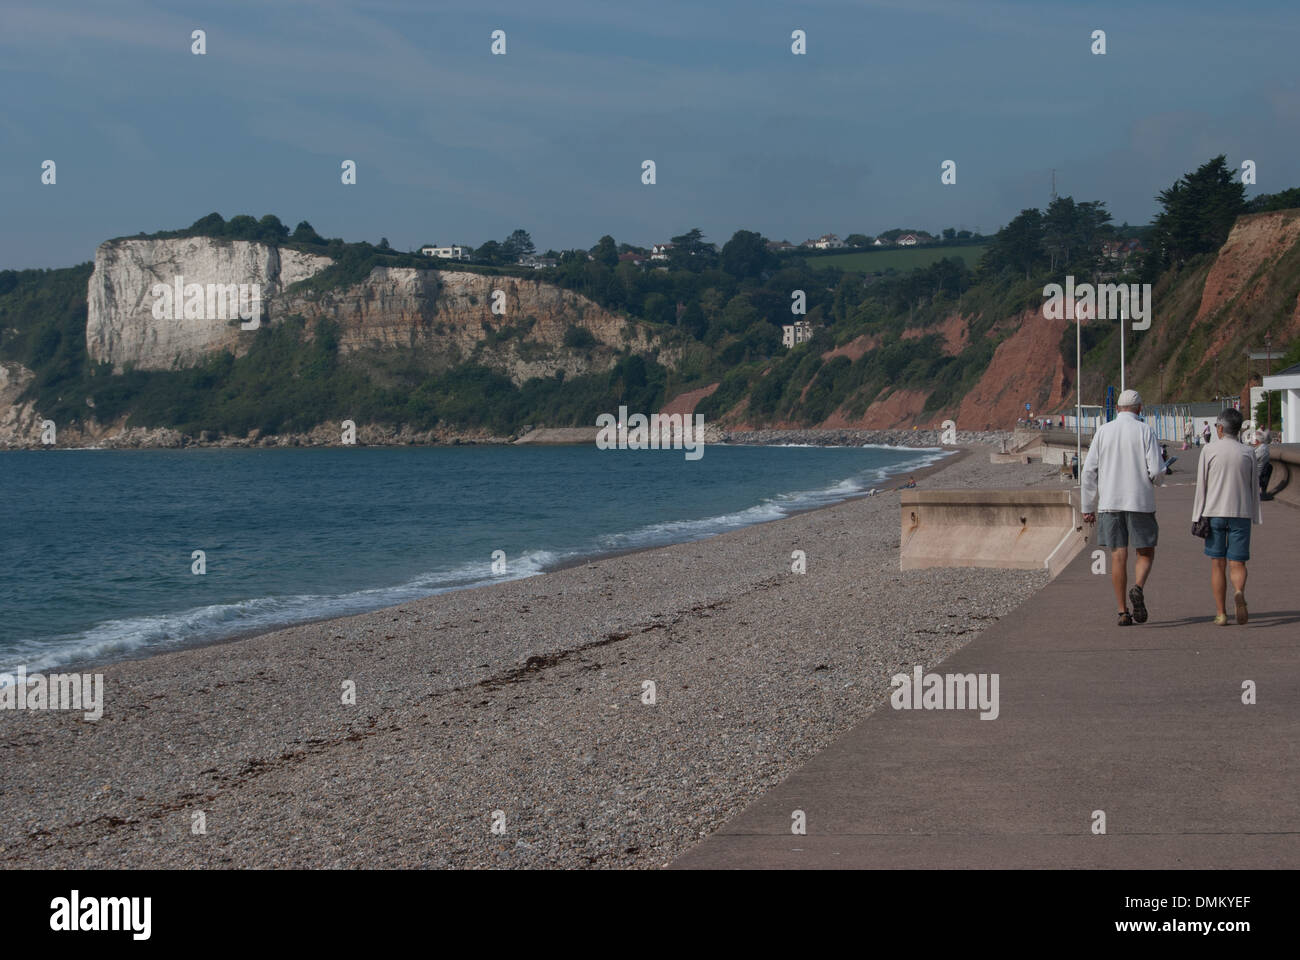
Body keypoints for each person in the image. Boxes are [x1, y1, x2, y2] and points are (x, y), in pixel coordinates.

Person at [1081, 389, 1164, 626]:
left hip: (1110, 503)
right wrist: (1157, 480)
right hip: (1140, 501)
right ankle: (1137, 587)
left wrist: (1087, 505)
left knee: (1118, 556)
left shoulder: (1103, 432)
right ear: (1139, 408)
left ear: (1117, 409)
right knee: (1145, 551)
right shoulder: (1146, 431)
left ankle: (1122, 612)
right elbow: (1157, 471)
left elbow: (1089, 471)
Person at [1192, 409, 1262, 625]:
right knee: (1238, 562)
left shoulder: (1209, 450)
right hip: (1240, 512)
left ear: (1220, 428)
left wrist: (1197, 514)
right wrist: (1254, 515)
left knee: (1217, 564)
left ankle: (1221, 613)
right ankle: (1239, 591)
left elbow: (1201, 486)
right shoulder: (1248, 452)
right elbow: (1253, 487)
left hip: (1214, 513)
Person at [1255, 429, 1273, 500]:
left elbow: (1252, 459)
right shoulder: (1263, 448)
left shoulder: (1261, 450)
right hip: (1259, 471)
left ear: (1257, 441)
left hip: (1257, 473)